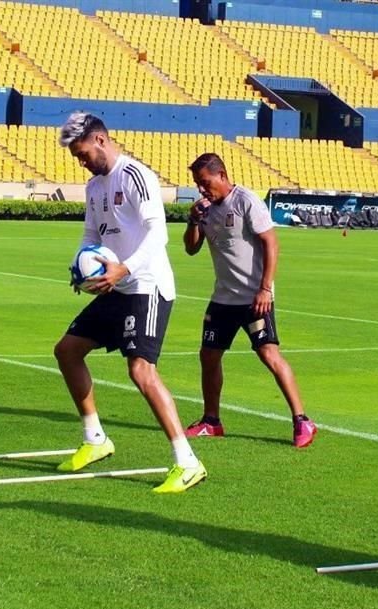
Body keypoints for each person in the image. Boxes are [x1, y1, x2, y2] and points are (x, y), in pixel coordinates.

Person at [54, 112, 206, 494]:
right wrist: (82, 270)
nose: (81, 160)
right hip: (115, 286)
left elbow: (159, 234)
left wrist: (125, 268)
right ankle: (95, 440)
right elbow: (92, 233)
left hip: (147, 286)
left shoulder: (136, 175)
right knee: (67, 351)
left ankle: (187, 462)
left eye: (83, 152)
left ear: (101, 139)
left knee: (141, 371)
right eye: (76, 156)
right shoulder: (93, 187)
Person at [183, 153, 317, 448]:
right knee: (208, 355)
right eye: (197, 184)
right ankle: (211, 421)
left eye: (205, 183)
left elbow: (271, 242)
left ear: (221, 175)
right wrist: (193, 221)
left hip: (253, 298)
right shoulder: (205, 211)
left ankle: (302, 420)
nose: (202, 189)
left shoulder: (245, 200)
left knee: (268, 354)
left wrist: (265, 289)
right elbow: (191, 249)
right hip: (222, 298)